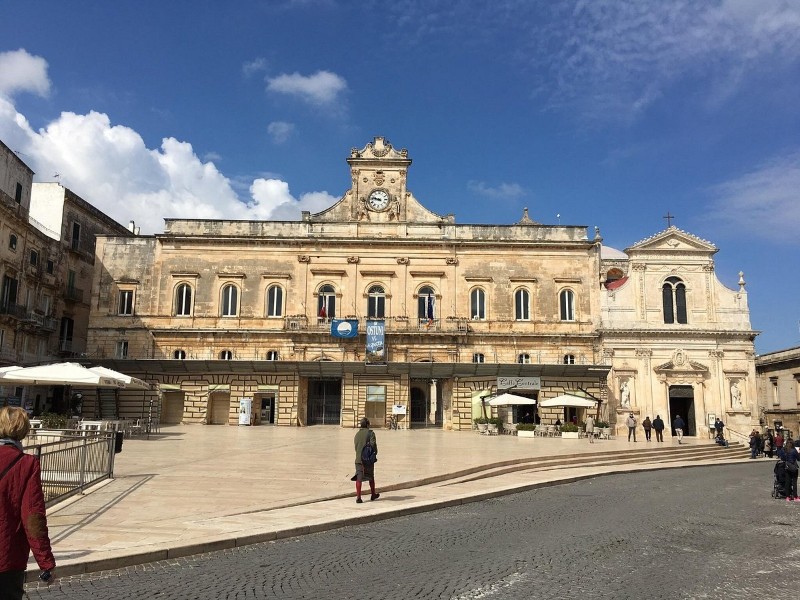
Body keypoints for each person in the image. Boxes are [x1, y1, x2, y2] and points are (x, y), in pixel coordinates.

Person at [0, 406, 56, 597]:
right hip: (6, 557)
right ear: (24, 431)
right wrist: (46, 562)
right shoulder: (26, 464)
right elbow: (33, 516)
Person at [353, 417, 379, 504]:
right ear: (367, 424)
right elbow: (373, 445)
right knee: (371, 476)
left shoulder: (357, 434)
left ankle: (358, 497)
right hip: (367, 459)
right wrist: (375, 453)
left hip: (358, 459)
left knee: (359, 478)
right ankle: (373, 494)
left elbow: (356, 447)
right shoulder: (371, 433)